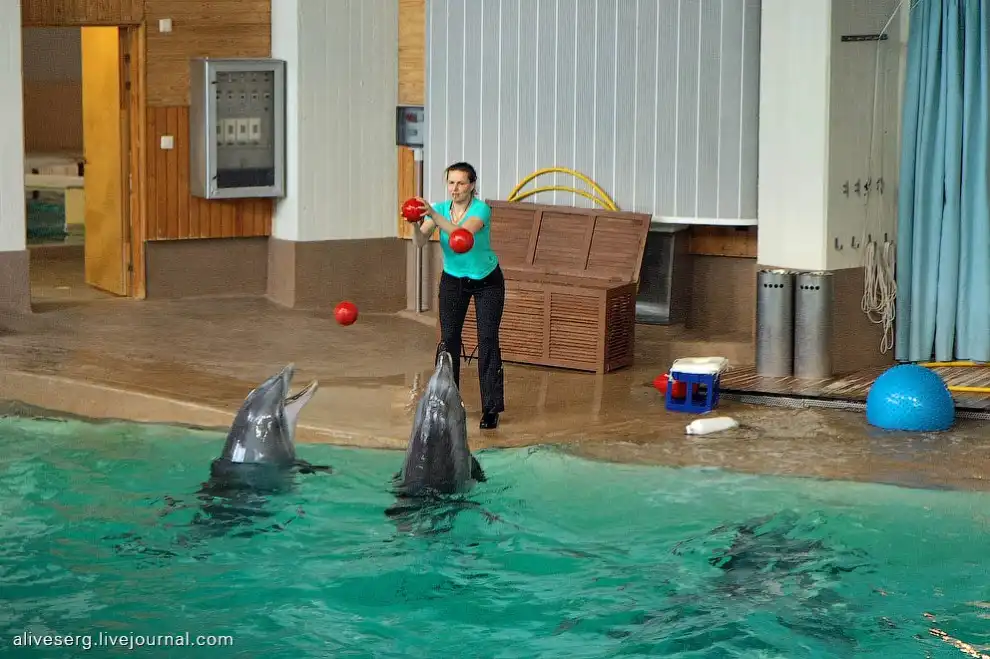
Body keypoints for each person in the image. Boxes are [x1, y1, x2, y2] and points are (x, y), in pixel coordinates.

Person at [409, 161, 505, 430]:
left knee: (487, 340)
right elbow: (419, 242)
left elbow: (462, 234)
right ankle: (446, 403)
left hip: (487, 280)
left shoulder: (480, 209)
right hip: (453, 279)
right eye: (451, 182)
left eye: (461, 183)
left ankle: (491, 409)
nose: (455, 188)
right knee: (448, 341)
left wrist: (432, 215)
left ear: (472, 185)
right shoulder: (440, 210)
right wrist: (416, 224)